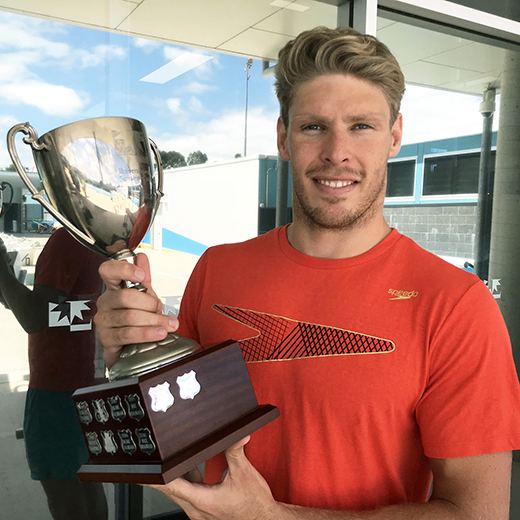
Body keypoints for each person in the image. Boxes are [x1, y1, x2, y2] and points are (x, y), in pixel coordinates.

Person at [95, 26, 520, 519]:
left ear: (395, 137)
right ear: (283, 138)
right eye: (314, 126)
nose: (336, 152)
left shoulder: (455, 304)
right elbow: (180, 431)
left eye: (361, 126)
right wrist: (129, 350)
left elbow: (476, 513)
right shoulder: (218, 269)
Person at [0, 227, 108, 520]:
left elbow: (35, 317)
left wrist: (3, 275)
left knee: (63, 494)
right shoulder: (92, 239)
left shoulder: (66, 239)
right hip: (84, 381)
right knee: (87, 482)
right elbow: (56, 311)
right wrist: (7, 279)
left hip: (55, 388)